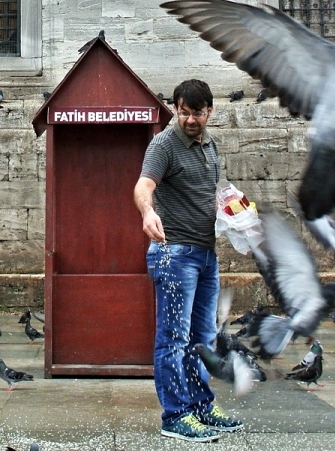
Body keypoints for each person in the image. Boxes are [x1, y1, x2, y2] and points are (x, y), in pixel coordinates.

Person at [133, 79, 243, 442]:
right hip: (174, 254)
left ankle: (201, 406)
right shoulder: (163, 144)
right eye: (184, 112)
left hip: (206, 254)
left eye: (197, 112)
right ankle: (175, 415)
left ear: (210, 111)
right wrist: (147, 213)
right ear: (176, 109)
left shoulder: (210, 145)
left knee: (203, 339)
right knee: (174, 340)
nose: (190, 119)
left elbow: (210, 193)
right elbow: (143, 186)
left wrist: (235, 209)